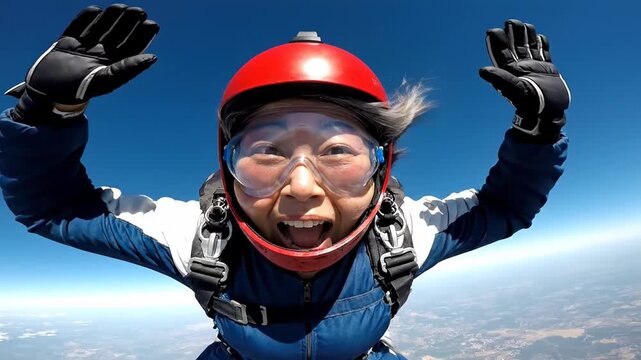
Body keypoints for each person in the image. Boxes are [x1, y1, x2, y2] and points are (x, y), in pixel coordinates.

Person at [0, 4, 570, 360]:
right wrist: (45, 115)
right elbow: (51, 206)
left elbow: (506, 204)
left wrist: (539, 128)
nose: (301, 186)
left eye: (338, 152)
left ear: (383, 166)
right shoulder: (199, 235)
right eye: (266, 152)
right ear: (227, 169)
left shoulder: (403, 232)